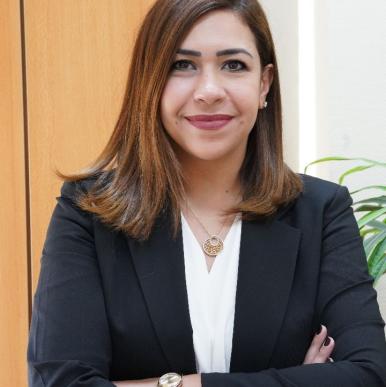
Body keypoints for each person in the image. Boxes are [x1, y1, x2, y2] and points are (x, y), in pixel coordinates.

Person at [27, 0, 386, 386]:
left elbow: (367, 374)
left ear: (264, 83)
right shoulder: (87, 211)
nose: (209, 91)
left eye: (233, 65)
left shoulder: (321, 210)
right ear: (151, 81)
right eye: (182, 65)